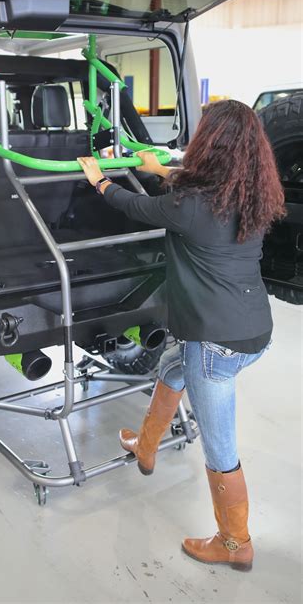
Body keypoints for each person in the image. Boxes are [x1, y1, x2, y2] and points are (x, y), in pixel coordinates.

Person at [77, 100, 285, 572]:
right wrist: (158, 168)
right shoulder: (251, 193)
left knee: (220, 447)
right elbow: (189, 199)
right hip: (254, 329)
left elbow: (139, 206)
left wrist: (99, 181)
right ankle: (146, 446)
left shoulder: (192, 204)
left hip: (215, 343)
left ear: (210, 145)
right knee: (173, 367)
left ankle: (235, 542)